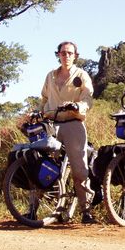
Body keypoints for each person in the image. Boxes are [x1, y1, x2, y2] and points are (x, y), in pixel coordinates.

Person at [39, 41, 96, 224]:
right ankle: (34, 207)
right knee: (44, 165)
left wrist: (78, 106)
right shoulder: (50, 76)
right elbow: (44, 98)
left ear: (75, 55)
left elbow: (88, 97)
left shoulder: (81, 75)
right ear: (58, 54)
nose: (67, 56)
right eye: (63, 53)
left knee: (79, 168)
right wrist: (37, 113)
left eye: (70, 53)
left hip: (73, 123)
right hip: (51, 124)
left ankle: (86, 210)